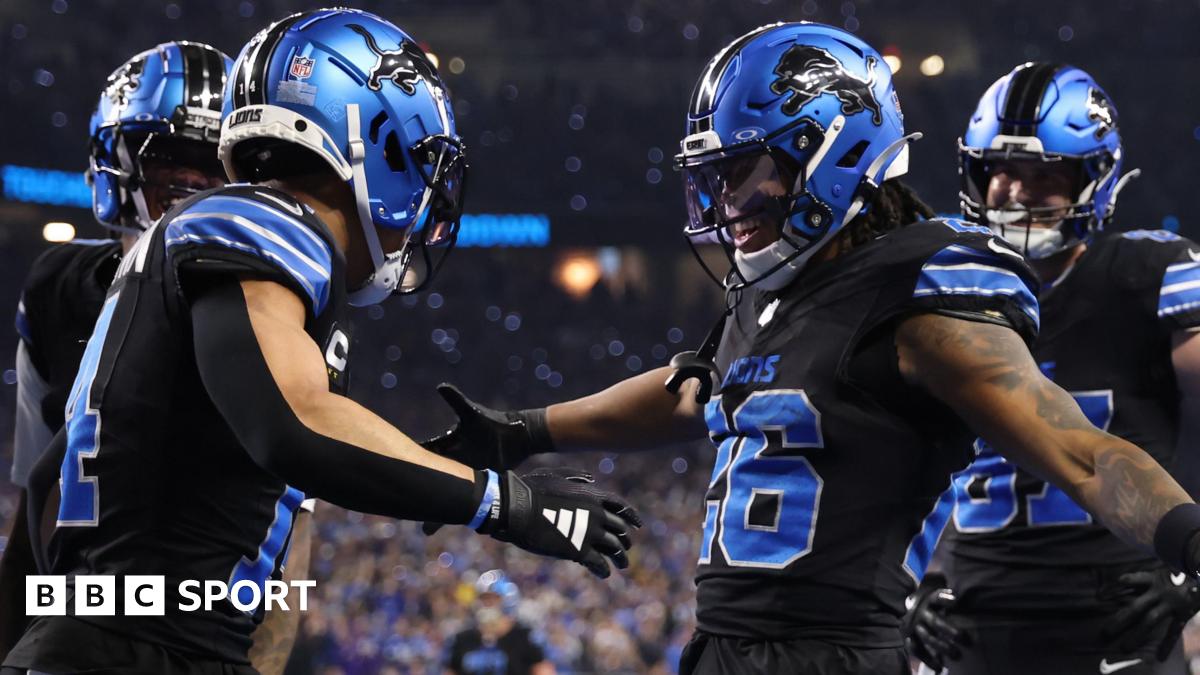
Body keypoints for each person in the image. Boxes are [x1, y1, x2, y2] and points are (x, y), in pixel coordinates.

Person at [422, 23, 1200, 675]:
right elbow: (694, 389)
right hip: (724, 647)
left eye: (745, 173)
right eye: (716, 178)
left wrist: (1186, 538)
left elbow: (1080, 450)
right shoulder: (775, 293)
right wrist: (529, 428)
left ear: (831, 153)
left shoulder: (921, 298)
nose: (726, 202)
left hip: (836, 653)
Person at [1, 9, 638, 675]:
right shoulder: (264, 220)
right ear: (377, 144)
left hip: (102, 640)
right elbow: (296, 421)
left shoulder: (195, 245)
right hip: (148, 649)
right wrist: (504, 501)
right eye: (418, 164)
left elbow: (45, 491)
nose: (425, 199)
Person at [903, 63, 1200, 675]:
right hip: (971, 623)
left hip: (1119, 620)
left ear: (1094, 178)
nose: (1015, 192)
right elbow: (894, 458)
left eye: (1044, 176)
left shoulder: (1149, 275)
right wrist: (905, 582)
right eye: (1001, 171)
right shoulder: (941, 286)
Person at [0, 39, 260, 659]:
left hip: (188, 636)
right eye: (171, 157)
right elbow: (37, 510)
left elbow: (275, 549)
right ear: (114, 161)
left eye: (214, 163)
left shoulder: (257, 307)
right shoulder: (56, 291)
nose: (195, 182)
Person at [444, 570, 555, 675]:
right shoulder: (463, 639)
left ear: (507, 600)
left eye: (493, 599)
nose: (487, 604)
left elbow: (543, 670)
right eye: (483, 599)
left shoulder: (525, 637)